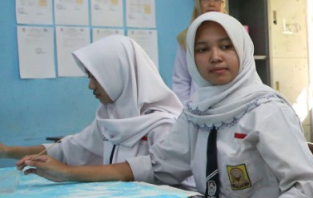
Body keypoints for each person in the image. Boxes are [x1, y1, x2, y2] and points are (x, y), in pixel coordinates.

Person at [22, 13, 313, 198]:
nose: (215, 56)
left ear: (243, 52)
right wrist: (68, 173)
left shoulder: (266, 110)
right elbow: (157, 167)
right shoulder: (197, 112)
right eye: (202, 49)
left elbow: (308, 188)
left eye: (225, 46)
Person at [2, 35, 183, 169]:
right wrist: (8, 151)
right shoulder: (110, 119)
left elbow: (162, 178)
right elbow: (69, 149)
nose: (90, 86)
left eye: (96, 77)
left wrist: (67, 172)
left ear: (119, 74)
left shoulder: (163, 124)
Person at [173, 0, 227, 104]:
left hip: (231, 100)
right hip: (199, 104)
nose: (211, 3)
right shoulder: (186, 37)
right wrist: (186, 110)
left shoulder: (235, 34)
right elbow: (181, 79)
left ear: (224, 4)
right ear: (198, 4)